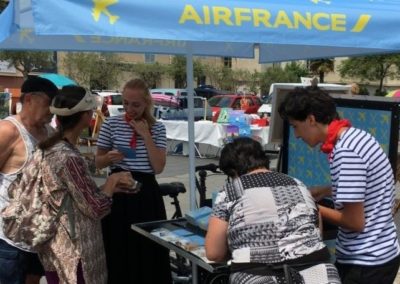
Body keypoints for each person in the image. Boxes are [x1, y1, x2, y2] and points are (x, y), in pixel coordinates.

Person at [278, 87, 400, 284]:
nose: (297, 135)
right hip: (382, 252)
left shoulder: (346, 152)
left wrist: (309, 206)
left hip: (365, 262)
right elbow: (367, 187)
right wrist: (325, 190)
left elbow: (354, 222)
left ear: (311, 120)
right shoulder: (357, 137)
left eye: (295, 126)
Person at [205, 137, 341, 284]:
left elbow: (214, 253)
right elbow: (317, 234)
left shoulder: (230, 191)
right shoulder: (298, 185)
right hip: (320, 273)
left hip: (257, 275)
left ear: (233, 171)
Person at [37, 85, 136, 284]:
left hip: (58, 249)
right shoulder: (68, 157)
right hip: (75, 254)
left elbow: (71, 198)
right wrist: (112, 181)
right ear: (85, 116)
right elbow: (96, 208)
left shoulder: (52, 147)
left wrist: (106, 189)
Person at [95, 78, 172, 284]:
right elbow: (98, 162)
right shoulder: (111, 124)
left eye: (135, 104)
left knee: (148, 249)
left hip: (146, 192)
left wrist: (145, 135)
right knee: (118, 247)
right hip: (118, 190)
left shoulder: (158, 128)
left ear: (147, 102)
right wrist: (109, 157)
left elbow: (158, 167)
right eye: (126, 103)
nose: (130, 109)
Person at [0, 77, 58, 284]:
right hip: (8, 241)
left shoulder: (51, 134)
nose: (52, 109)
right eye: (49, 103)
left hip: (40, 237)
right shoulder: (8, 130)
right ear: (31, 99)